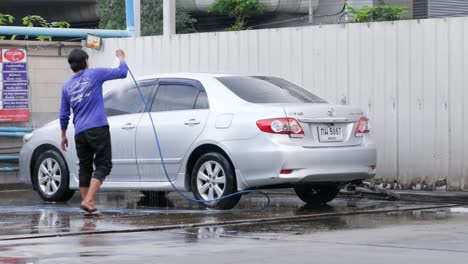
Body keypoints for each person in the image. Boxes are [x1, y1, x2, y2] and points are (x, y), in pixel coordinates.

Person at [60, 48, 128, 216]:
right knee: (104, 164)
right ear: (86, 60)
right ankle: (88, 200)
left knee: (85, 167)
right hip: (97, 128)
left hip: (79, 132)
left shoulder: (66, 86)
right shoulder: (94, 74)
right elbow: (122, 72)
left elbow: (64, 114)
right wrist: (121, 58)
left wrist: (63, 135)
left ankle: (88, 207)